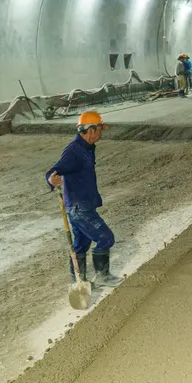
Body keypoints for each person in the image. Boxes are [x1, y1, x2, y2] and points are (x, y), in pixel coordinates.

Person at [45, 111, 122, 287]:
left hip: (82, 204)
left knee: (81, 243)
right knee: (105, 238)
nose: (101, 133)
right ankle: (102, 276)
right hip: (79, 207)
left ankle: (79, 281)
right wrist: (51, 179)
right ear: (90, 130)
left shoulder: (87, 147)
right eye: (99, 129)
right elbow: (54, 171)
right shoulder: (74, 151)